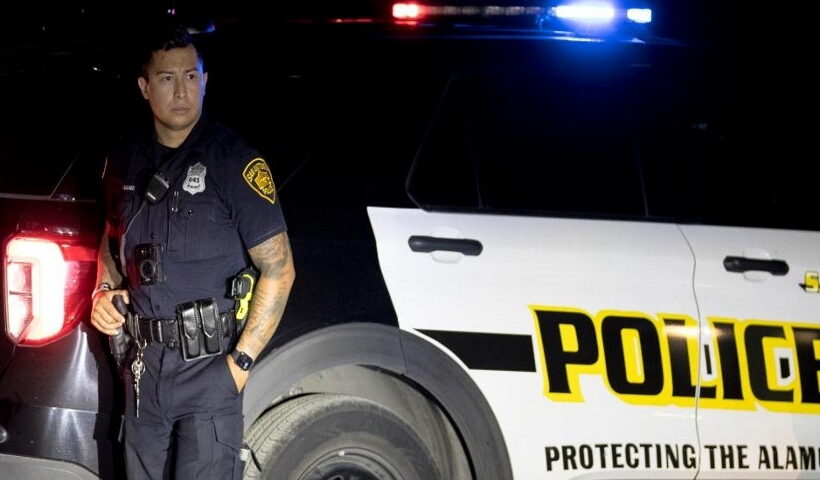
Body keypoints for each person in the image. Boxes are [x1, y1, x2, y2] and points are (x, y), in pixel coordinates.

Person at [90, 25, 295, 480]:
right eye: (166, 78)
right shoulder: (124, 159)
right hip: (143, 372)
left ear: (205, 80)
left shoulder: (234, 162)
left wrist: (239, 365)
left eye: (191, 76)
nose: (181, 90)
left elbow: (279, 269)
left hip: (210, 371)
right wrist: (102, 290)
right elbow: (108, 237)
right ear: (145, 87)